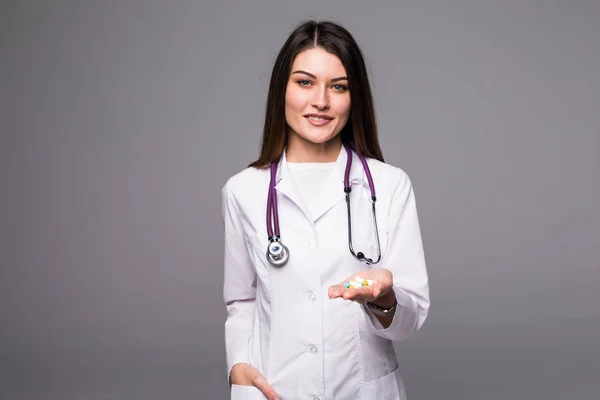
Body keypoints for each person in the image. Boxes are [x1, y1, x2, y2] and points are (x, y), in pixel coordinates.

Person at [221, 19, 430, 400]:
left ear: (355, 97)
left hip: (362, 391)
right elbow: (242, 299)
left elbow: (408, 319)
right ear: (281, 90)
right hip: (275, 388)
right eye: (304, 82)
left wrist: (384, 300)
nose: (321, 101)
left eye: (338, 86)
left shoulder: (389, 186)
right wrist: (237, 365)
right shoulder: (243, 191)